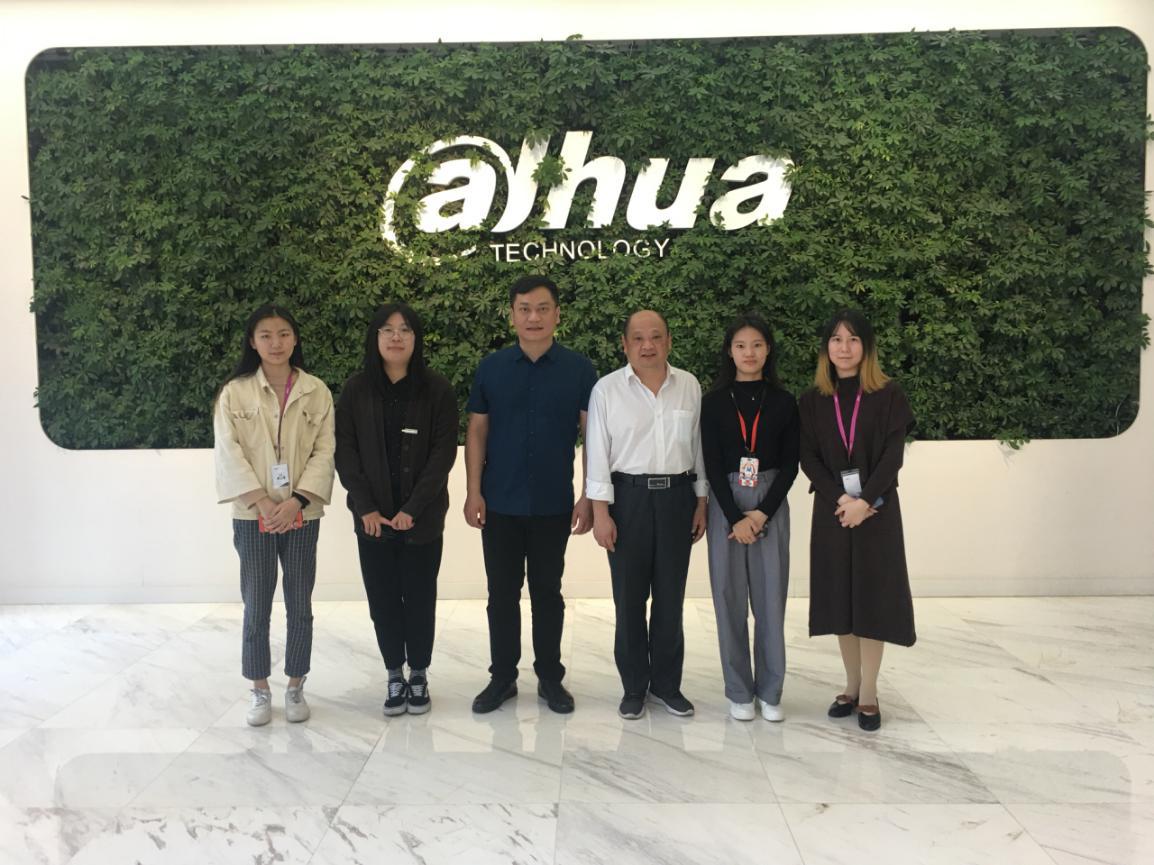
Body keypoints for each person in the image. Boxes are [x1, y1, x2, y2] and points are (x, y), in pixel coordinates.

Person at [464, 274, 598, 714]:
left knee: (547, 593)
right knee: (501, 594)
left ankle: (550, 678)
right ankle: (502, 677)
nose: (533, 317)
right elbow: (477, 431)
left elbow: (592, 437)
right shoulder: (492, 368)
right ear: (512, 316)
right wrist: (473, 491)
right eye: (524, 309)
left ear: (557, 314)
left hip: (553, 503)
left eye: (542, 308)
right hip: (499, 502)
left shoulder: (580, 370)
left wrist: (588, 496)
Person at [213, 304, 335, 727]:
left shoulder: (316, 391)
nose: (276, 343)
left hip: (302, 512)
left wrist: (295, 501)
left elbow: (325, 450)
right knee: (256, 603)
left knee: (300, 602)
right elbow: (228, 452)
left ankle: (296, 684)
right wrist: (264, 504)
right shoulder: (235, 392)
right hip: (254, 515)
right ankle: (259, 688)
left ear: (295, 339)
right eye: (265, 335)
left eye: (283, 334)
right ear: (252, 342)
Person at [335, 303, 458, 716]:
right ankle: (393, 672)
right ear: (375, 338)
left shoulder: (437, 390)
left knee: (420, 597)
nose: (396, 337)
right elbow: (346, 452)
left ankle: (418, 672)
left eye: (405, 329)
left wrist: (413, 508)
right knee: (383, 600)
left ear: (416, 338)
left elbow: (442, 455)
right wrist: (366, 508)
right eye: (387, 330)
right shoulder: (356, 390)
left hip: (422, 520)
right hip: (372, 521)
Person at [586, 309, 708, 720]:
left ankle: (667, 685)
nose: (647, 345)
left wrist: (701, 501)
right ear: (624, 345)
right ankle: (634, 687)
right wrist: (601, 513)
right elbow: (597, 453)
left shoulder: (689, 385)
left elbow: (698, 448)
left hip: (677, 499)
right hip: (628, 501)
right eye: (638, 338)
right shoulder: (606, 390)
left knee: (671, 598)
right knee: (629, 599)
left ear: (669, 341)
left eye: (656, 336)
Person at [798, 308, 916, 732]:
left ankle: (869, 692)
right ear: (825, 348)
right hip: (833, 513)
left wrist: (864, 501)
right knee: (840, 599)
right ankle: (849, 684)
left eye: (852, 339)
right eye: (836, 339)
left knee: (872, 599)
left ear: (866, 347)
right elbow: (808, 458)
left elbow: (892, 457)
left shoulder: (888, 395)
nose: (843, 348)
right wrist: (841, 499)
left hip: (877, 513)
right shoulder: (813, 400)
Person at [701, 313, 799, 723]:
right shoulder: (713, 402)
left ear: (768, 350)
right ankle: (739, 691)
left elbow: (791, 465)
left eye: (757, 345)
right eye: (741, 346)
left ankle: (771, 691)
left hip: (769, 501)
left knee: (770, 599)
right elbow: (710, 463)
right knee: (728, 599)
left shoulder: (784, 401)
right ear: (730, 351)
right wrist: (734, 517)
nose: (749, 353)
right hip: (726, 503)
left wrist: (760, 513)